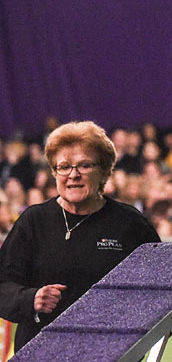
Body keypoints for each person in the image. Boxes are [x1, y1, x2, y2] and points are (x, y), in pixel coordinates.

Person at [0, 121, 160, 351]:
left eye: (84, 165)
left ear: (104, 171)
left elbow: (160, 288)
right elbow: (3, 285)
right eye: (64, 167)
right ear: (54, 172)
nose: (73, 175)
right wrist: (31, 298)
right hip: (41, 352)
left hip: (110, 352)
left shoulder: (131, 223)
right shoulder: (33, 221)